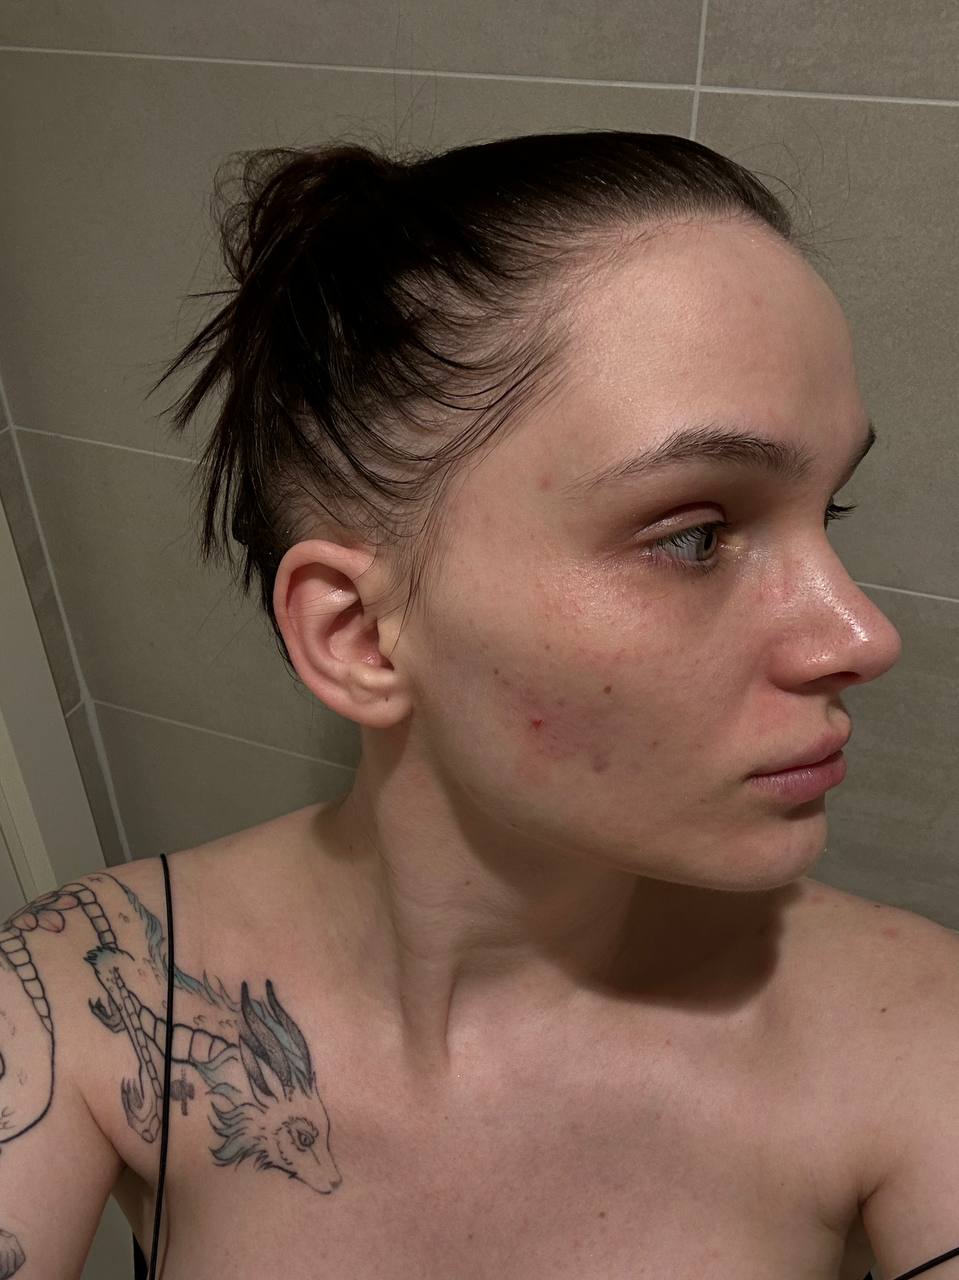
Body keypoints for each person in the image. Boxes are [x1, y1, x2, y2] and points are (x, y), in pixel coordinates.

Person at [3, 129, 957, 1280]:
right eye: (695, 535)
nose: (860, 636)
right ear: (359, 635)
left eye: (826, 510)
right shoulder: (94, 993)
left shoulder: (913, 1039)